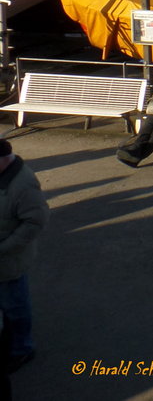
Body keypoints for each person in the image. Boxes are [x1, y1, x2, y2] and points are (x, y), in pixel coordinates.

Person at [0, 138, 49, 373]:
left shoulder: (24, 184)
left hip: (9, 260)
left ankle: (22, 349)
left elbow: (35, 222)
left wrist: (5, 247)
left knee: (15, 307)